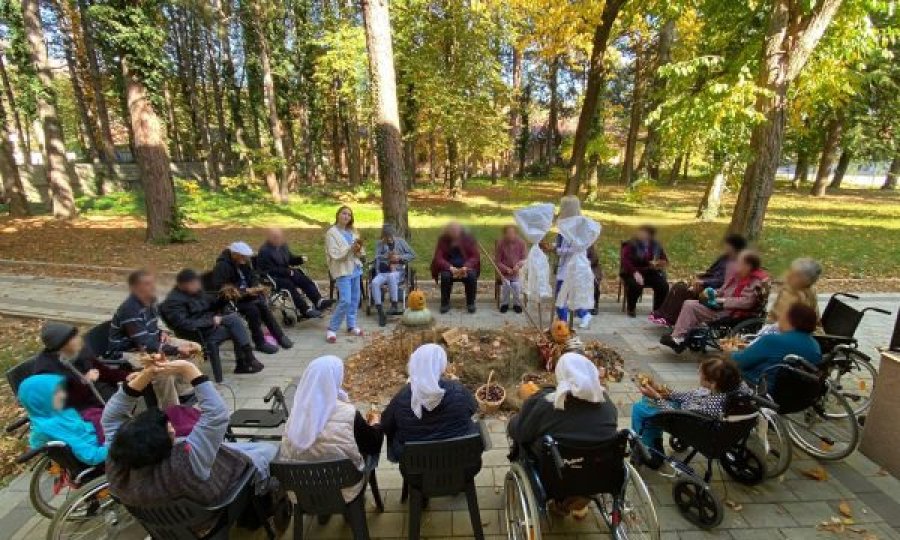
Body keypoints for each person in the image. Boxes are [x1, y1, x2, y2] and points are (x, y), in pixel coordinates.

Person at [104, 359, 279, 513]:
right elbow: (217, 415)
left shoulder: (115, 460)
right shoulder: (186, 459)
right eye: (169, 427)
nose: (172, 428)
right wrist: (189, 369)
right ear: (168, 439)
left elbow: (112, 414)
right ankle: (263, 492)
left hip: (171, 518)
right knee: (268, 450)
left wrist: (149, 373)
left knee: (231, 448)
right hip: (216, 507)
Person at [507, 352, 618, 518]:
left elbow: (522, 434)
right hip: (597, 474)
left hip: (556, 475)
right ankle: (578, 500)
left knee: (523, 436)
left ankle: (561, 500)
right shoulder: (608, 405)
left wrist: (513, 423)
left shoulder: (547, 406)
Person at [279, 356, 383, 502]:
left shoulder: (296, 414)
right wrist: (376, 423)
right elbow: (372, 444)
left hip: (302, 489)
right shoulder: (349, 413)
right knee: (369, 445)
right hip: (344, 489)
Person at [631, 357, 748, 469]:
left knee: (639, 409)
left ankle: (650, 450)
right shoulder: (733, 387)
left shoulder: (710, 406)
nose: (698, 373)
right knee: (647, 401)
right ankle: (650, 436)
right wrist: (667, 393)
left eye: (701, 373)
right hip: (702, 418)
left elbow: (675, 415)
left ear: (712, 383)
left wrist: (657, 397)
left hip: (686, 421)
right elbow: (692, 395)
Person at [109, 270, 203, 407]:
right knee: (162, 371)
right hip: (129, 352)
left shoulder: (150, 301)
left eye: (152, 282)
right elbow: (144, 344)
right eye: (147, 284)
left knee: (195, 348)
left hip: (150, 343)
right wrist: (176, 349)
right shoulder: (130, 309)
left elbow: (151, 328)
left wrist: (161, 332)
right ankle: (171, 411)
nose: (153, 286)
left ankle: (183, 393)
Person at [381, 344, 478, 462]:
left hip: (416, 471)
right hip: (461, 465)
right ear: (442, 366)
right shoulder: (457, 390)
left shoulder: (403, 396)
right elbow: (473, 408)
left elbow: (386, 425)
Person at [160, 269, 264, 378]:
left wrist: (225, 298)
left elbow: (211, 305)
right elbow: (184, 324)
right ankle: (246, 359)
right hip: (197, 333)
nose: (198, 285)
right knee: (234, 322)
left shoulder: (195, 292)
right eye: (194, 283)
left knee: (235, 322)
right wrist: (210, 321)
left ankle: (246, 360)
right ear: (183, 285)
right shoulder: (173, 302)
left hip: (209, 326)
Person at [660, 251, 769, 354]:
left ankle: (679, 337)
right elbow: (724, 290)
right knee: (690, 303)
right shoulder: (738, 275)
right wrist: (714, 293)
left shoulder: (755, 281)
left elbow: (747, 302)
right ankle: (680, 335)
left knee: (690, 306)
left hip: (733, 312)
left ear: (748, 265)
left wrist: (723, 301)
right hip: (722, 306)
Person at [211, 241, 293, 354]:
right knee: (253, 309)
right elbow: (221, 289)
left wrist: (255, 287)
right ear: (235, 254)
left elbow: (252, 276)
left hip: (246, 296)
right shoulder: (222, 266)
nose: (245, 260)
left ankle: (280, 336)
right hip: (232, 300)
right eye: (242, 257)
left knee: (262, 306)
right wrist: (245, 291)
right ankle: (260, 342)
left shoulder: (243, 262)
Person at [33, 321, 133, 413]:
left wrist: (127, 376)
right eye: (74, 338)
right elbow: (62, 403)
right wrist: (85, 382)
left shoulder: (79, 350)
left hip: (103, 396)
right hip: (84, 410)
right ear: (62, 345)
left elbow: (102, 371)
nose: (79, 339)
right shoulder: (46, 370)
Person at [650, 234, 747, 326]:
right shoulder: (724, 257)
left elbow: (724, 280)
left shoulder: (738, 262)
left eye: (727, 245)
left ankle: (671, 318)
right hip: (708, 281)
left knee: (682, 289)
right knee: (679, 285)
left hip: (714, 287)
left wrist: (704, 282)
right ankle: (663, 315)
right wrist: (701, 276)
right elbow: (711, 271)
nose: (725, 247)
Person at [18, 374, 108, 466]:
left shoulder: (55, 413)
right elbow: (91, 456)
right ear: (41, 399)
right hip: (105, 452)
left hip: (103, 437)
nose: (63, 394)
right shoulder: (51, 427)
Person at [731, 303, 822, 385]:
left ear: (790, 320)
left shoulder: (773, 340)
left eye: (782, 316)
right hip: (794, 394)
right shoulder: (815, 345)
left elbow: (739, 362)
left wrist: (729, 352)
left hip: (760, 387)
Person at [542, 196, 600, 326]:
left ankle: (581, 315)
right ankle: (565, 319)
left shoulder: (579, 226)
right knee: (564, 292)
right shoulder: (565, 224)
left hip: (575, 265)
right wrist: (555, 246)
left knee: (569, 292)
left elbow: (576, 248)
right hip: (567, 265)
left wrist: (556, 249)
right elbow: (563, 244)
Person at [257, 228, 334, 319]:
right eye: (276, 237)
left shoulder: (283, 246)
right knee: (288, 284)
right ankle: (304, 309)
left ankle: (319, 301)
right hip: (272, 278)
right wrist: (287, 271)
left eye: (280, 236)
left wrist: (300, 259)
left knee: (303, 278)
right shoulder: (264, 251)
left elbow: (290, 259)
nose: (279, 239)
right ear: (269, 237)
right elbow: (269, 270)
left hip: (286, 273)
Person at [326, 206, 365, 342]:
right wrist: (350, 249)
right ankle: (332, 329)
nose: (346, 216)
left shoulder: (353, 232)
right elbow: (335, 255)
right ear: (338, 215)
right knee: (345, 300)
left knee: (354, 300)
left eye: (349, 215)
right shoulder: (331, 233)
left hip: (355, 269)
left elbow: (360, 252)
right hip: (342, 271)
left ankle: (351, 325)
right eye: (344, 213)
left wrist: (359, 251)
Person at [619, 225, 669, 318]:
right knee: (636, 285)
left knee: (663, 285)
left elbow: (664, 259)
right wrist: (635, 273)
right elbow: (625, 261)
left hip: (650, 271)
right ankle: (631, 307)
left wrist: (659, 264)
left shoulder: (656, 245)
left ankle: (657, 310)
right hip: (632, 271)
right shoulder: (631, 244)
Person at [430, 222, 481, 314]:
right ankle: (445, 303)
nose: (455, 233)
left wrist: (466, 267)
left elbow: (475, 256)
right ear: (448, 231)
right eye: (452, 231)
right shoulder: (443, 240)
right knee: (445, 276)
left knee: (471, 276)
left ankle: (470, 303)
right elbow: (438, 258)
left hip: (465, 267)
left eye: (457, 230)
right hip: (449, 268)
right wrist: (450, 267)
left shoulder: (468, 239)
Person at [372, 223, 416, 326]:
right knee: (374, 283)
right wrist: (385, 256)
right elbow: (376, 258)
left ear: (394, 235)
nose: (389, 239)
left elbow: (413, 255)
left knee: (391, 276)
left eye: (391, 236)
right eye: (387, 237)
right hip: (383, 272)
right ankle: (380, 311)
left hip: (397, 272)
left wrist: (399, 257)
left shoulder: (401, 242)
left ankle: (394, 304)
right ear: (383, 236)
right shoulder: (379, 244)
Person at [495, 225, 528, 314]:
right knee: (506, 284)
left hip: (518, 272)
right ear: (504, 234)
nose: (510, 235)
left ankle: (516, 304)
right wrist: (506, 269)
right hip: (505, 272)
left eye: (512, 233)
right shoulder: (501, 243)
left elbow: (525, 259)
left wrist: (518, 266)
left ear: (516, 233)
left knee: (516, 286)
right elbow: (497, 261)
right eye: (508, 233)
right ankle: (505, 304)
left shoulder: (521, 243)